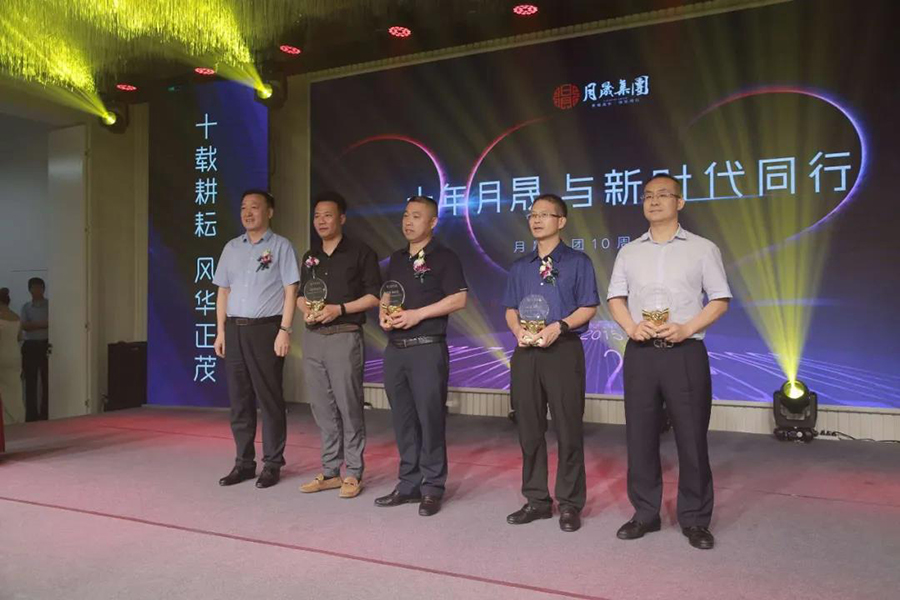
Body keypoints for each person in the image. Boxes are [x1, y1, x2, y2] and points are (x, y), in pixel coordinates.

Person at [607, 174, 731, 550]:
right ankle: (645, 513)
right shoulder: (629, 252)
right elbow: (615, 298)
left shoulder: (702, 249)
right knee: (640, 436)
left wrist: (687, 327)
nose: (654, 201)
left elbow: (720, 299)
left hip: (685, 352)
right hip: (641, 354)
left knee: (691, 437)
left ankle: (695, 519)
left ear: (680, 201)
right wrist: (631, 327)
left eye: (663, 195)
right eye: (648, 195)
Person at [502, 194, 599, 533]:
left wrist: (560, 326)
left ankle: (570, 503)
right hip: (526, 353)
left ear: (561, 221)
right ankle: (537, 500)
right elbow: (511, 308)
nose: (537, 219)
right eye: (533, 214)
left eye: (545, 214)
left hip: (563, 350)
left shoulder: (578, 262)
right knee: (529, 428)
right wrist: (517, 331)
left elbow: (588, 306)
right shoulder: (520, 266)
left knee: (568, 429)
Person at [374, 196, 467, 517]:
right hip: (395, 350)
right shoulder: (397, 258)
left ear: (432, 222)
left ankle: (432, 487)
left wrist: (418, 314)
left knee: (430, 418)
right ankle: (408, 483)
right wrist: (384, 314)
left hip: (427, 347)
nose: (408, 221)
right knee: (403, 420)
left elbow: (458, 299)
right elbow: (388, 294)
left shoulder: (445, 257)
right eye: (405, 215)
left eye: (416, 216)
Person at [213, 190, 300, 489]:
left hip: (266, 330)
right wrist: (220, 331)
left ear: (269, 212)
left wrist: (285, 330)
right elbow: (223, 291)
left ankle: (272, 463)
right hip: (234, 330)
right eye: (243, 208)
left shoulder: (281, 246)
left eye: (255, 207)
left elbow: (291, 290)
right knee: (239, 400)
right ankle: (244, 463)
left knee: (269, 399)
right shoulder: (231, 247)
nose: (248, 213)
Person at [297, 192, 381, 499]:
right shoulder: (310, 256)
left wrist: (339, 309)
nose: (321, 221)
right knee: (322, 407)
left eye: (327, 215)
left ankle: (354, 472)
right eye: (317, 215)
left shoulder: (361, 252)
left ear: (342, 218)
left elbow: (374, 296)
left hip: (345, 335)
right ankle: (331, 471)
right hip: (313, 337)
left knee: (348, 404)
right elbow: (301, 295)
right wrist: (306, 310)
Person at [21, 277, 49, 421]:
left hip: (46, 344)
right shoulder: (26, 307)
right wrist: (43, 324)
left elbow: (53, 323)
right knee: (30, 382)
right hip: (30, 345)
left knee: (47, 380)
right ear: (29, 290)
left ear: (43, 289)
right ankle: (31, 416)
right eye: (34, 287)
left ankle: (46, 414)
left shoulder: (50, 305)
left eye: (39, 287)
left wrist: (34, 325)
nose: (37, 290)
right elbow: (24, 326)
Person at [0, 288, 25, 424]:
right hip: (14, 355)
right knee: (15, 387)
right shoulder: (16, 316)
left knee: (2, 389)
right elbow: (20, 337)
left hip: (1, 354)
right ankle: (17, 416)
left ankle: (5, 419)